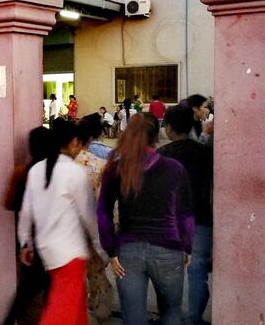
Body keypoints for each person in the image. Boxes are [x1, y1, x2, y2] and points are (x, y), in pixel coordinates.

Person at [97, 113, 194, 325]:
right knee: (171, 314)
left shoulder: (116, 168)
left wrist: (111, 251)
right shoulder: (175, 169)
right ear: (156, 135)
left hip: (127, 253)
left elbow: (103, 212)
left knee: (133, 318)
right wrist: (187, 246)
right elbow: (185, 215)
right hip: (168, 250)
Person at [18, 119, 107, 325]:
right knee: (61, 316)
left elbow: (26, 212)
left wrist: (25, 243)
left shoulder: (35, 170)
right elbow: (89, 217)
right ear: (75, 142)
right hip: (70, 254)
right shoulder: (74, 172)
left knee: (75, 313)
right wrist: (101, 249)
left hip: (46, 249)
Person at [157, 106, 214, 325]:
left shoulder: (162, 155)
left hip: (169, 221)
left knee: (168, 270)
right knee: (197, 270)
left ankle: (172, 317)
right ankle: (193, 318)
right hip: (200, 219)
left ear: (169, 128)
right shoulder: (206, 154)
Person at [1, 127, 51, 325]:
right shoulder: (56, 172)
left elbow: (9, 203)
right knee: (50, 289)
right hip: (52, 240)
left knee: (26, 291)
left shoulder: (22, 172)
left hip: (28, 239)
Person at [73, 115, 113, 324]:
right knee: (96, 272)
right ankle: (101, 309)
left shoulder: (66, 163)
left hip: (69, 229)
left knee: (73, 274)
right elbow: (106, 201)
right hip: (94, 227)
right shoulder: (101, 165)